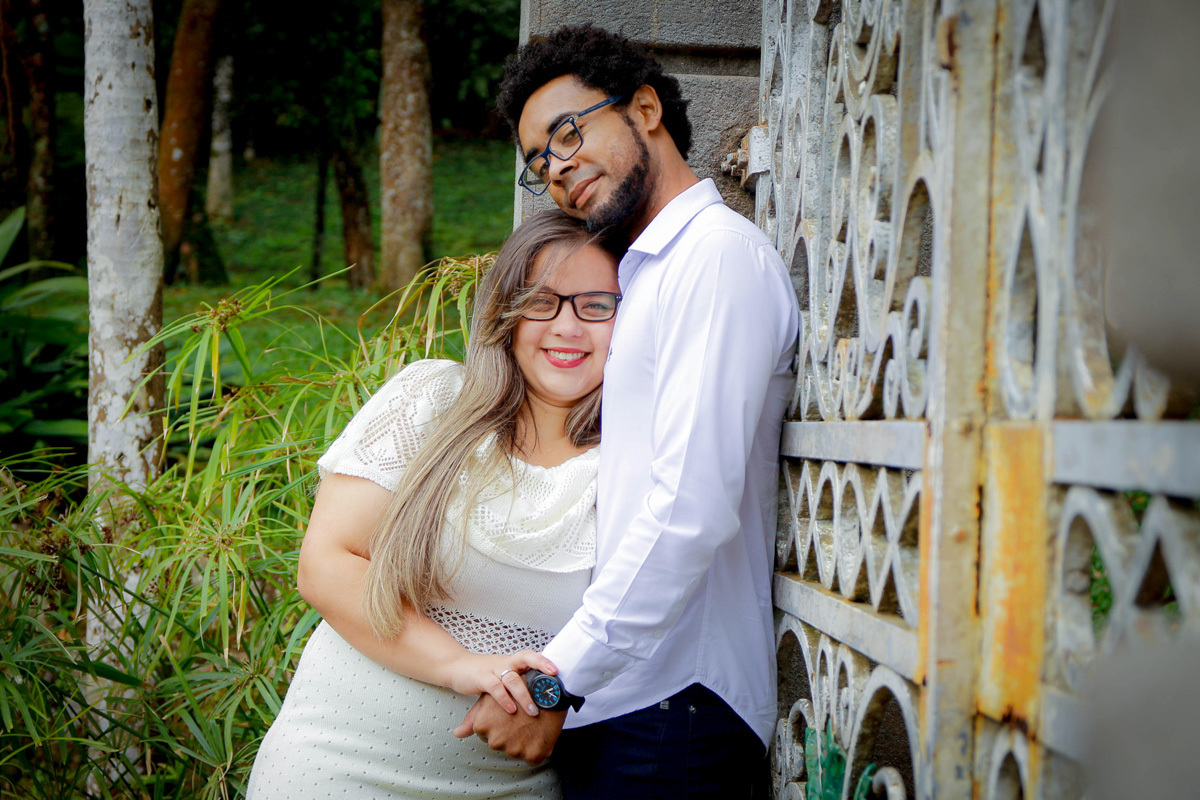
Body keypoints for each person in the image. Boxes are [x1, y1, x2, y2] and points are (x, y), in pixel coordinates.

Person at [453, 25, 801, 798]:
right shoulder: (641, 276)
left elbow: (689, 510)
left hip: (676, 710)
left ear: (645, 109)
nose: (556, 168)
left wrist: (556, 681)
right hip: (624, 704)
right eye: (538, 161)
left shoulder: (716, 258)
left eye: (567, 134)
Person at [245, 209, 621, 799]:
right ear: (505, 313)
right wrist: (461, 666)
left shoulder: (634, 461)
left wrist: (544, 694)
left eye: (596, 306)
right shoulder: (433, 399)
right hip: (335, 762)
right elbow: (326, 564)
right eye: (541, 302)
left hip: (509, 785)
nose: (567, 327)